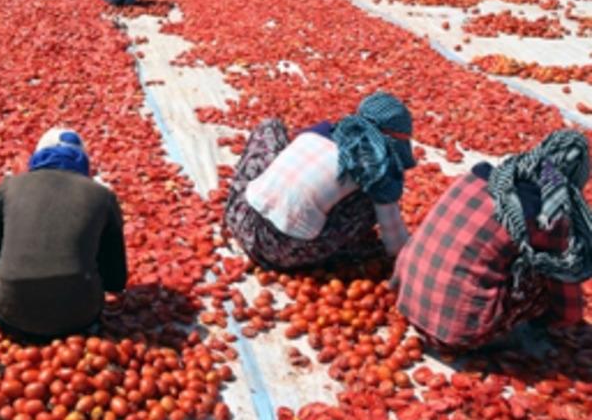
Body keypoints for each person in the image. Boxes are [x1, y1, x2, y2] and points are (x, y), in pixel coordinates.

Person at [393, 130, 590, 352]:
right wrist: (564, 321)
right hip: (458, 333)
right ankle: (498, 335)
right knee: (542, 272)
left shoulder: (479, 174)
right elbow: (568, 306)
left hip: (405, 298)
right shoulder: (549, 217)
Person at [222, 92, 416, 272]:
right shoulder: (375, 171)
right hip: (286, 254)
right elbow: (396, 245)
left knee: (271, 127)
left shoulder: (318, 132)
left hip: (241, 218)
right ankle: (337, 248)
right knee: (374, 194)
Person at [0, 128, 127, 342]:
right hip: (80, 318)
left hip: (8, 314)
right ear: (83, 160)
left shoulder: (10, 187)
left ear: (38, 156)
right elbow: (116, 282)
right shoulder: (103, 196)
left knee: (2, 242)